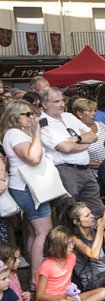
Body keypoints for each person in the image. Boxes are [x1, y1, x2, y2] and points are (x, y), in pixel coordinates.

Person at [2, 100, 55, 290]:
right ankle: (36, 280)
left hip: (28, 186)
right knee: (43, 231)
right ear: (16, 116)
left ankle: (35, 277)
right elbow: (34, 158)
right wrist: (37, 131)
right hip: (28, 187)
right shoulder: (14, 133)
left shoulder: (18, 133)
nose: (32, 117)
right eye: (28, 114)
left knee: (35, 232)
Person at [38, 88, 105, 218]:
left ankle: (95, 237)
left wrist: (77, 139)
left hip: (85, 170)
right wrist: (84, 143)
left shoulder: (68, 116)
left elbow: (93, 136)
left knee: (96, 210)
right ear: (45, 104)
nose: (62, 104)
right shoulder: (42, 122)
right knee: (70, 213)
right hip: (65, 171)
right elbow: (64, 147)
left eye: (62, 100)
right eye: (56, 101)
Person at [36, 227, 105, 301]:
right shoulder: (46, 266)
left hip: (70, 298)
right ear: (59, 246)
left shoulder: (71, 258)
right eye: (69, 244)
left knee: (103, 292)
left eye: (72, 242)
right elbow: (40, 296)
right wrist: (64, 298)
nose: (72, 246)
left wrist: (69, 297)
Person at [72, 98, 105, 173]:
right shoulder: (76, 133)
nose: (94, 113)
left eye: (94, 110)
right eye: (90, 111)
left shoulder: (100, 125)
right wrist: (103, 165)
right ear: (79, 114)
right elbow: (79, 159)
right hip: (95, 173)